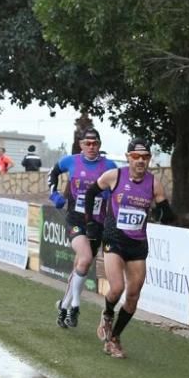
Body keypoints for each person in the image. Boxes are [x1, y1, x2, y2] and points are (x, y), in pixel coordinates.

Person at [83, 137, 175, 358]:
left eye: (144, 157)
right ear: (128, 158)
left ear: (149, 159)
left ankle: (114, 338)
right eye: (136, 157)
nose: (140, 161)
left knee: (133, 295)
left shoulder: (154, 183)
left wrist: (163, 212)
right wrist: (90, 222)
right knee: (116, 288)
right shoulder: (115, 176)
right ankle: (106, 315)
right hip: (114, 239)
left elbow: (167, 212)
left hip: (137, 243)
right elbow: (90, 193)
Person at [49, 128, 117, 329]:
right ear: (81, 145)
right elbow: (52, 174)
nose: (91, 147)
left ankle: (63, 306)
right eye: (87, 143)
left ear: (100, 145)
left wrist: (109, 196)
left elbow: (118, 188)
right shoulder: (70, 161)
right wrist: (54, 195)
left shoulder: (109, 165)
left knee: (82, 265)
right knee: (85, 258)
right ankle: (75, 307)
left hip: (97, 222)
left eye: (95, 143)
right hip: (75, 219)